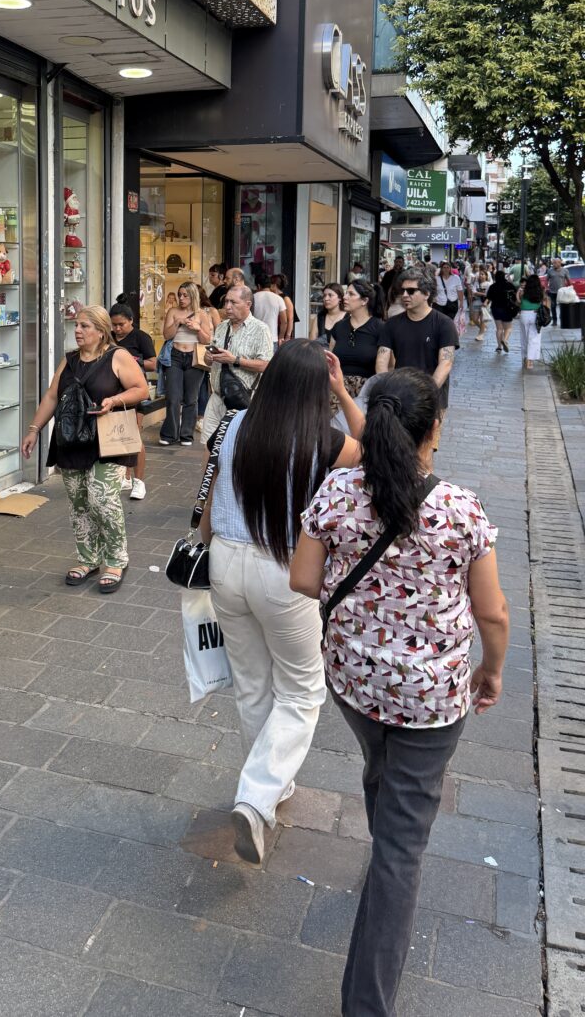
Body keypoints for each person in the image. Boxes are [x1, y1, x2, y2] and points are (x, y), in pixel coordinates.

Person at [291, 368, 508, 1017]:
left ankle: (383, 832)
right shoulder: (458, 508)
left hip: (354, 681)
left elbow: (304, 578)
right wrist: (491, 668)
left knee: (380, 766)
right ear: (434, 427)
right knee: (402, 855)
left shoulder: (339, 489)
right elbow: (491, 612)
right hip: (430, 700)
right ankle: (366, 1004)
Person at [200, 341, 364, 864]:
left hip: (225, 560)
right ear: (318, 388)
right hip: (285, 570)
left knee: (251, 683)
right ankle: (257, 795)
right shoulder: (328, 441)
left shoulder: (231, 426)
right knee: (300, 691)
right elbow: (375, 450)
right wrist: (341, 387)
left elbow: (210, 497)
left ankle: (270, 783)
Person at [22, 306, 148, 592]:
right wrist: (33, 430)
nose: (77, 331)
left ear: (101, 332)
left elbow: (141, 389)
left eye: (84, 326)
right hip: (71, 440)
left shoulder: (118, 356)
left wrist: (114, 401)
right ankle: (88, 558)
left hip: (107, 440)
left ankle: (116, 558)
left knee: (102, 498)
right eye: (76, 325)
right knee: (79, 503)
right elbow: (52, 396)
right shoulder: (69, 361)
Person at [375, 269, 458, 451]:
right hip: (398, 397)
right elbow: (382, 359)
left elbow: (446, 362)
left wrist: (426, 391)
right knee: (395, 449)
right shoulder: (393, 324)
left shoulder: (443, 324)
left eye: (411, 291)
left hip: (430, 399)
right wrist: (385, 388)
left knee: (424, 453)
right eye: (402, 291)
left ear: (427, 294)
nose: (405, 295)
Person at [201, 285, 273, 440]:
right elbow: (208, 362)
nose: (227, 307)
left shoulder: (261, 329)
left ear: (248, 304)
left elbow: (266, 365)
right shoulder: (221, 327)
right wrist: (208, 358)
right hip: (217, 397)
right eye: (226, 302)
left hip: (242, 399)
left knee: (237, 444)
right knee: (209, 445)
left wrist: (235, 360)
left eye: (233, 302)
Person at [109, 302, 156, 500]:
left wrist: (130, 362)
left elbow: (153, 363)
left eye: (121, 324)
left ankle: (139, 482)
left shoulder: (141, 337)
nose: (118, 329)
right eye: (114, 325)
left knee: (134, 436)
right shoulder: (109, 337)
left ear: (131, 321)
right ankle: (126, 477)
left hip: (135, 389)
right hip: (114, 391)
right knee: (119, 436)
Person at [160, 281, 213, 446]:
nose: (181, 298)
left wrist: (197, 328)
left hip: (194, 357)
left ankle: (186, 435)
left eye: (185, 295)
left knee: (191, 397)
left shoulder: (202, 314)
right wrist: (177, 323)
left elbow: (207, 340)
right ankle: (170, 434)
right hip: (174, 356)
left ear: (193, 296)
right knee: (173, 397)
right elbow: (166, 335)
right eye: (179, 295)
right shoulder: (173, 311)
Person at [329, 278, 386, 399]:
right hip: (337, 391)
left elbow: (387, 367)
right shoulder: (339, 327)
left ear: (364, 300)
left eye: (351, 294)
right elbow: (330, 363)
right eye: (346, 293)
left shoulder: (381, 328)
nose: (345, 297)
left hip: (367, 392)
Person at [517, 273, 550, 370]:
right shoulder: (541, 292)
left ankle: (524, 358)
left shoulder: (523, 292)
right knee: (534, 338)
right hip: (535, 315)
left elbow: (518, 302)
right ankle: (530, 361)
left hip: (524, 315)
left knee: (524, 337)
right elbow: (545, 302)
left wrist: (518, 296)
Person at [486, 269, 518, 353]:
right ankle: (505, 340)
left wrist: (485, 304)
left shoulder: (493, 286)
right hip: (507, 308)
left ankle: (499, 347)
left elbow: (488, 298)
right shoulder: (509, 285)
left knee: (499, 329)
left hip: (495, 309)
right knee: (508, 328)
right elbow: (515, 296)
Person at [252, 274, 287, 350]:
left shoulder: (252, 298)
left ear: (258, 286)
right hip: (272, 339)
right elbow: (284, 321)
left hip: (255, 339)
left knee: (254, 362)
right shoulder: (278, 299)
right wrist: (281, 337)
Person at [271, 273, 296, 339]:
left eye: (270, 284)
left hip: (283, 333)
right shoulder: (273, 297)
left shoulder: (285, 298)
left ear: (274, 285)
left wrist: (287, 336)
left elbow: (290, 319)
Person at [546, 258, 570, 327]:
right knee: (553, 307)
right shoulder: (550, 271)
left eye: (555, 263)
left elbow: (568, 280)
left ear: (560, 263)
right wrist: (546, 288)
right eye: (553, 263)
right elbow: (546, 280)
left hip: (562, 292)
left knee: (562, 307)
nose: (554, 264)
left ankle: (562, 319)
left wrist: (570, 288)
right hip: (552, 292)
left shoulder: (565, 270)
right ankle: (554, 321)